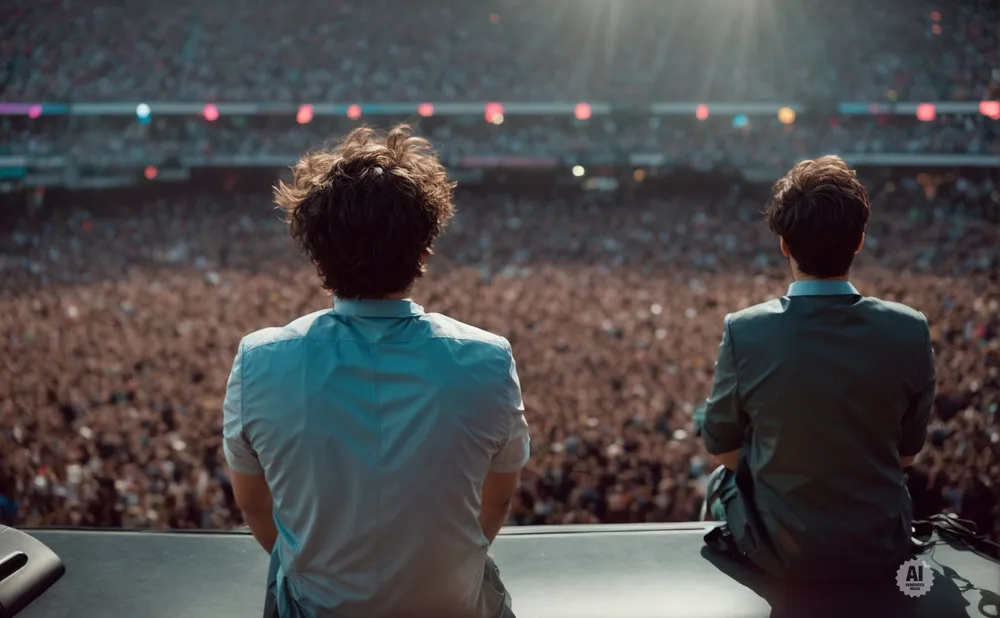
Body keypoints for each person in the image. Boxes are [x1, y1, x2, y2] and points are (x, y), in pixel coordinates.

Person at [221, 125, 529, 618]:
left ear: (318, 254)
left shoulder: (260, 359)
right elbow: (495, 502)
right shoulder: (488, 358)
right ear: (424, 249)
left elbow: (254, 505)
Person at [699, 156, 936, 581]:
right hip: (881, 543)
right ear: (859, 240)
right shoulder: (910, 328)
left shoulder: (744, 330)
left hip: (781, 551)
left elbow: (722, 448)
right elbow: (906, 454)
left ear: (784, 244)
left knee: (718, 481)